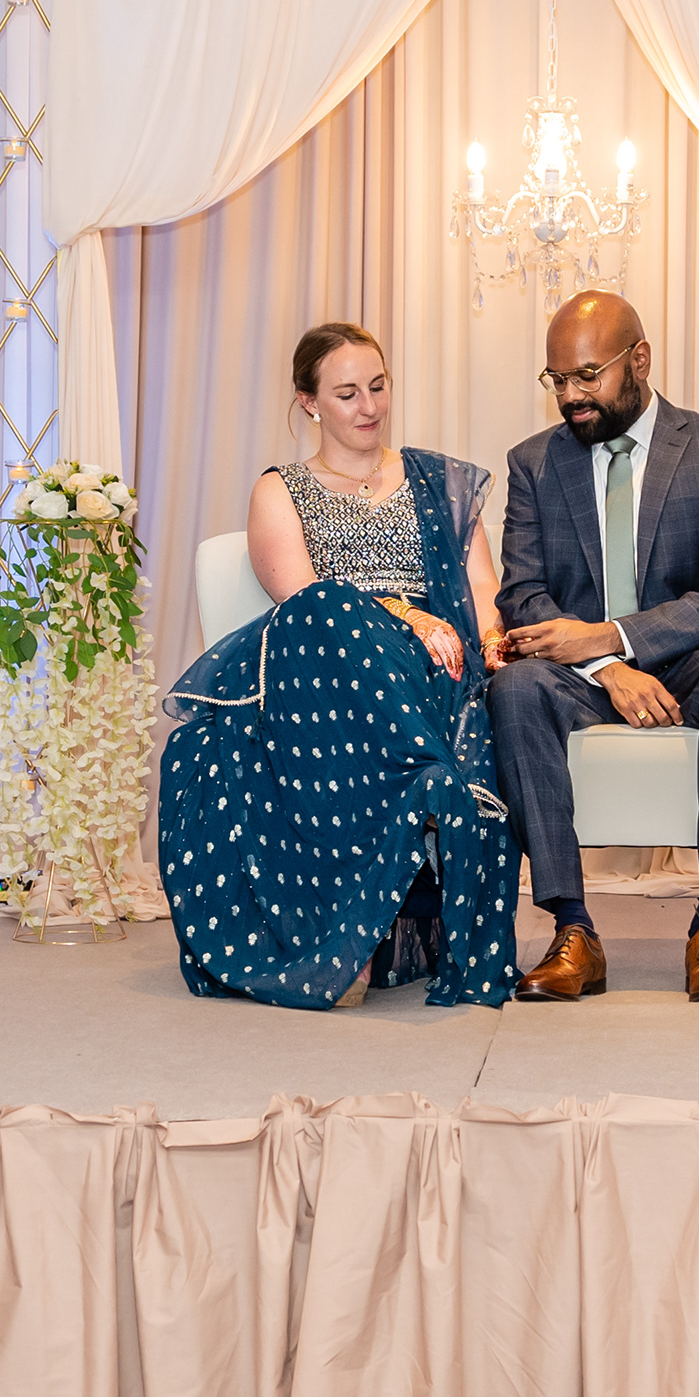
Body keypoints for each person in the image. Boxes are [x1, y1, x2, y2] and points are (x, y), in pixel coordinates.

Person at [156, 323, 515, 1009]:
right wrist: (405, 615)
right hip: (324, 668)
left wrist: (495, 640)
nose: (369, 406)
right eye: (348, 393)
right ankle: (417, 797)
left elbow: (481, 593)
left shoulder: (437, 481)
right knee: (326, 609)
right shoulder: (281, 489)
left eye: (378, 387)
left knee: (454, 659)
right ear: (309, 403)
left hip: (430, 664)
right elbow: (298, 597)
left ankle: (415, 805)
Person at [489, 290, 699, 1002]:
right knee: (514, 687)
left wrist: (618, 636)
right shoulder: (533, 463)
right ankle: (573, 931)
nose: (571, 395)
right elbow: (522, 595)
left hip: (692, 657)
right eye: (557, 379)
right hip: (581, 672)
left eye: (588, 375)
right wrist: (607, 665)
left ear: (639, 359)